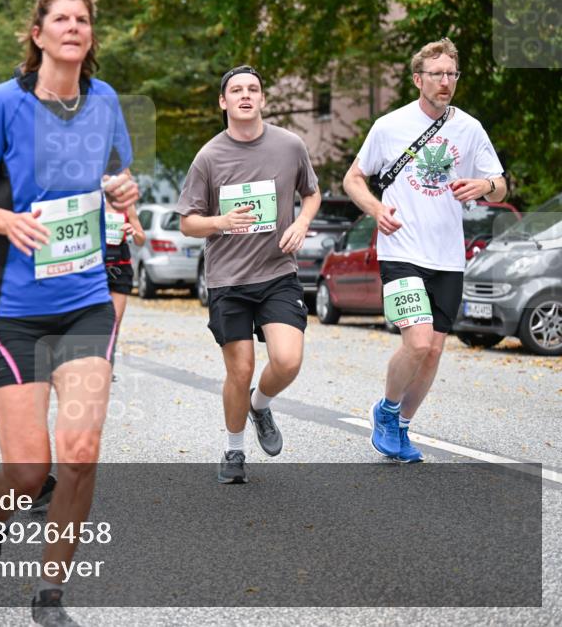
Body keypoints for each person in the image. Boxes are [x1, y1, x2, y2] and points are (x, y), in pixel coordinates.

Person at [0, 0, 138, 625]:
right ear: (37, 34)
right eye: (59, 18)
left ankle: (50, 592)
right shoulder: (6, 102)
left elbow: (116, 179)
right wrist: (5, 221)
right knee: (29, 470)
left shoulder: (106, 100)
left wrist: (125, 192)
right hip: (13, 310)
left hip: (85, 300)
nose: (72, 27)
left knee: (80, 451)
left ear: (91, 35)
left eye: (82, 19)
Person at [342, 38, 506, 463]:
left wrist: (485, 186)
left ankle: (403, 427)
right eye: (437, 74)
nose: (445, 81)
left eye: (452, 74)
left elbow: (500, 182)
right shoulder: (389, 126)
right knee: (416, 343)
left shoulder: (469, 129)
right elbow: (353, 179)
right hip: (401, 250)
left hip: (448, 256)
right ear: (418, 79)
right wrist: (377, 210)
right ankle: (387, 410)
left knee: (434, 350)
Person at [177, 65, 320, 485]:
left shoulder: (289, 145)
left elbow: (310, 193)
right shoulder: (208, 157)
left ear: (262, 99)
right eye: (236, 90)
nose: (245, 95)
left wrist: (301, 223)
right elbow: (188, 223)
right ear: (223, 102)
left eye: (253, 89)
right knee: (239, 370)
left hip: (277, 272)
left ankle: (261, 404)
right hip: (228, 279)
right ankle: (234, 450)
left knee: (288, 360)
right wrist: (220, 222)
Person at [103, 198, 145, 378]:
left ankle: (107, 365)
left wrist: (133, 231)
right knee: (93, 318)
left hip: (120, 268)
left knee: (114, 321)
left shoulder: (127, 206)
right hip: (95, 268)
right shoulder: (92, 199)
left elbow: (141, 239)